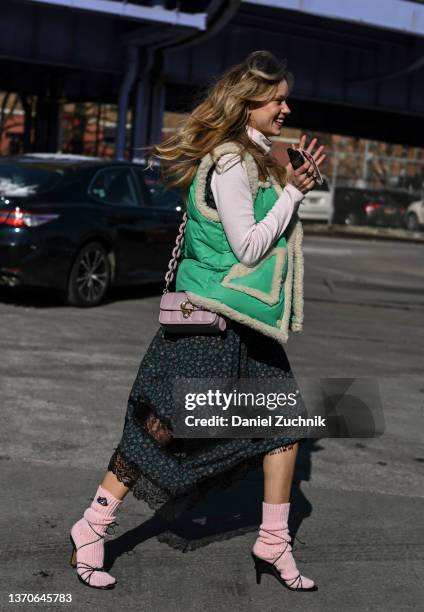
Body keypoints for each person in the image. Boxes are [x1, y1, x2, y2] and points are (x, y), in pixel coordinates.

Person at [69, 50, 325, 593]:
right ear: (249, 103)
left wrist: (289, 185)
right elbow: (250, 248)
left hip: (247, 323)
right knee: (165, 425)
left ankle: (273, 540)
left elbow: (265, 230)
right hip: (209, 319)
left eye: (284, 97)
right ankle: (93, 524)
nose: (286, 106)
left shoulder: (255, 160)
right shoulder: (231, 161)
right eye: (276, 98)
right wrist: (292, 194)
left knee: (286, 423)